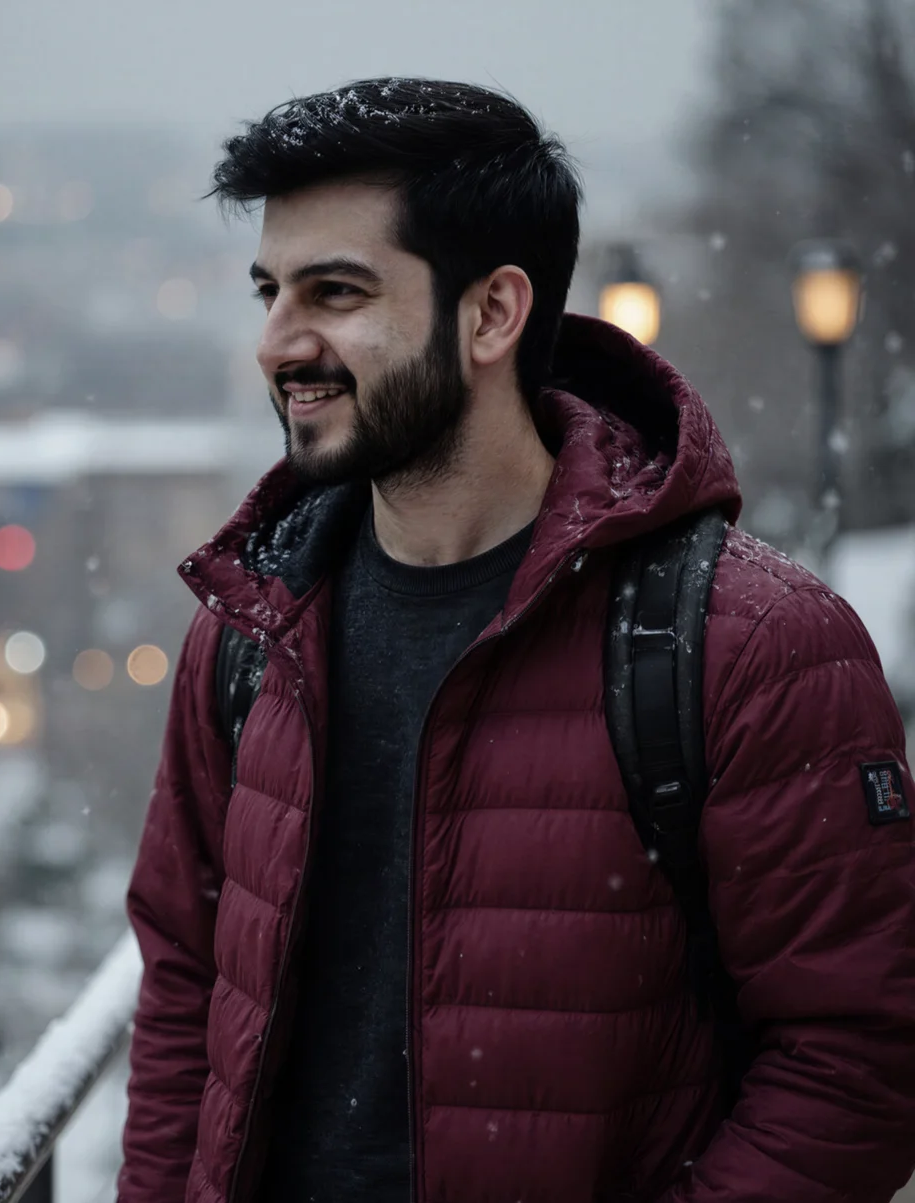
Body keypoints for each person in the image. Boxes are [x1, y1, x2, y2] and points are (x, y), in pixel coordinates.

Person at [116, 78, 915, 1203]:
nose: (276, 345)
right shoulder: (250, 631)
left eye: (334, 293)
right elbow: (185, 995)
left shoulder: (749, 646)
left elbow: (857, 1064)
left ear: (491, 314)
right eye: (269, 293)